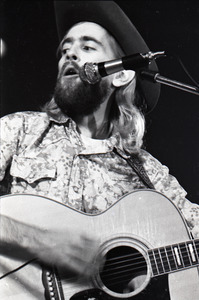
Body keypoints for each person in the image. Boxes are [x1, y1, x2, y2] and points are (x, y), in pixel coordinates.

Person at [0, 1, 199, 299]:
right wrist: (38, 241)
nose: (69, 53)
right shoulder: (18, 130)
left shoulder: (150, 174)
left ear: (121, 74)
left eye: (88, 47)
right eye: (64, 49)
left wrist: (131, 273)